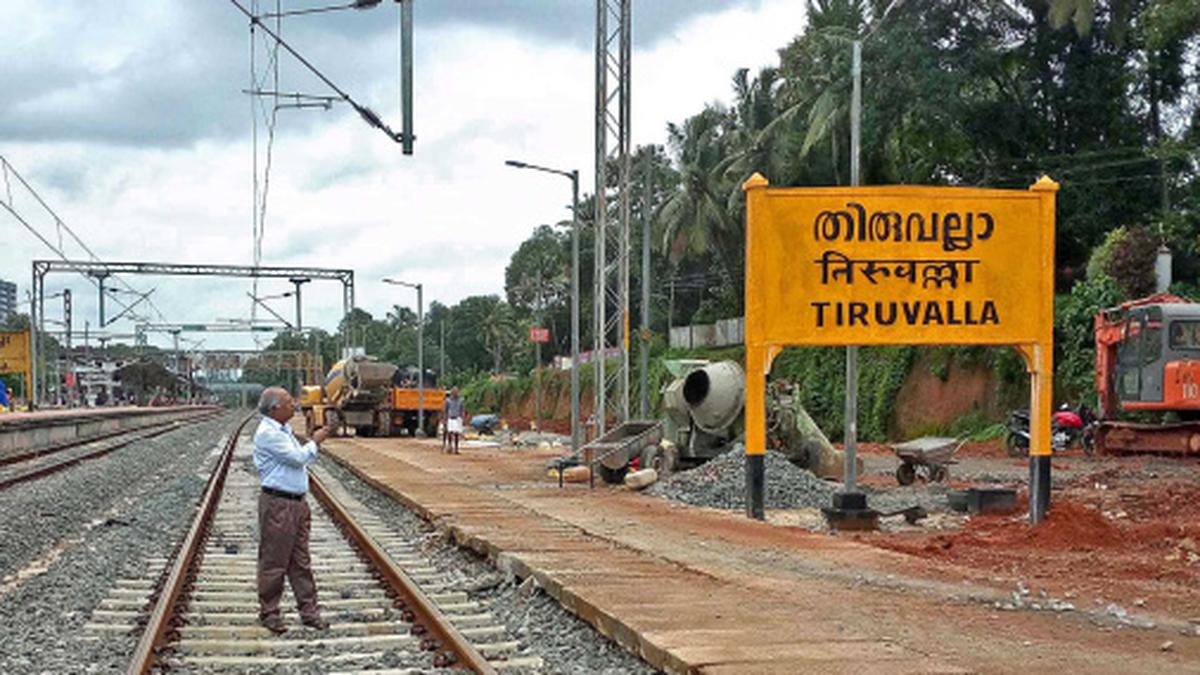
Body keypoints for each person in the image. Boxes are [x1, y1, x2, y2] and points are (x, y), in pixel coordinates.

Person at [253, 387, 330, 634]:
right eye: (288, 402)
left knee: (300, 561)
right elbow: (298, 458)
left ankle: (309, 611)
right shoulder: (268, 433)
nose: (294, 404)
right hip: (279, 504)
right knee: (275, 560)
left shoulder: (283, 430)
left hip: (296, 503)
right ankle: (270, 612)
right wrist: (315, 442)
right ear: (275, 408)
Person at [444, 387, 465, 454]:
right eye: (454, 392)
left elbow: (462, 410)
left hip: (457, 418)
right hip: (451, 418)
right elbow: (445, 410)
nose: (455, 393)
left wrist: (463, 418)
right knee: (450, 433)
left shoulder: (461, 400)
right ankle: (450, 446)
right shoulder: (448, 401)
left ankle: (456, 448)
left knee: (456, 434)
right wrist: (445, 419)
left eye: (456, 392)